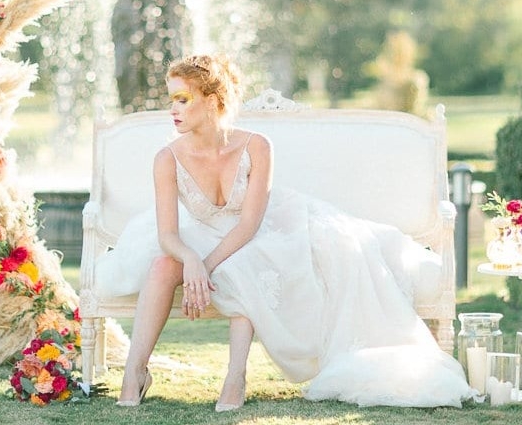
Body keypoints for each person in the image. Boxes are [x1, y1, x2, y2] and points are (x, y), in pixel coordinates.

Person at [95, 53, 477, 410]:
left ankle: (235, 377)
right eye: (172, 100)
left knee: (244, 264)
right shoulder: (167, 158)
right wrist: (192, 260)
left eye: (183, 99)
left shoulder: (257, 146)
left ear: (211, 101)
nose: (173, 109)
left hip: (265, 229)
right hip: (200, 232)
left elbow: (249, 225)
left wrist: (206, 268)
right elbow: (168, 235)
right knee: (163, 265)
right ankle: (135, 371)